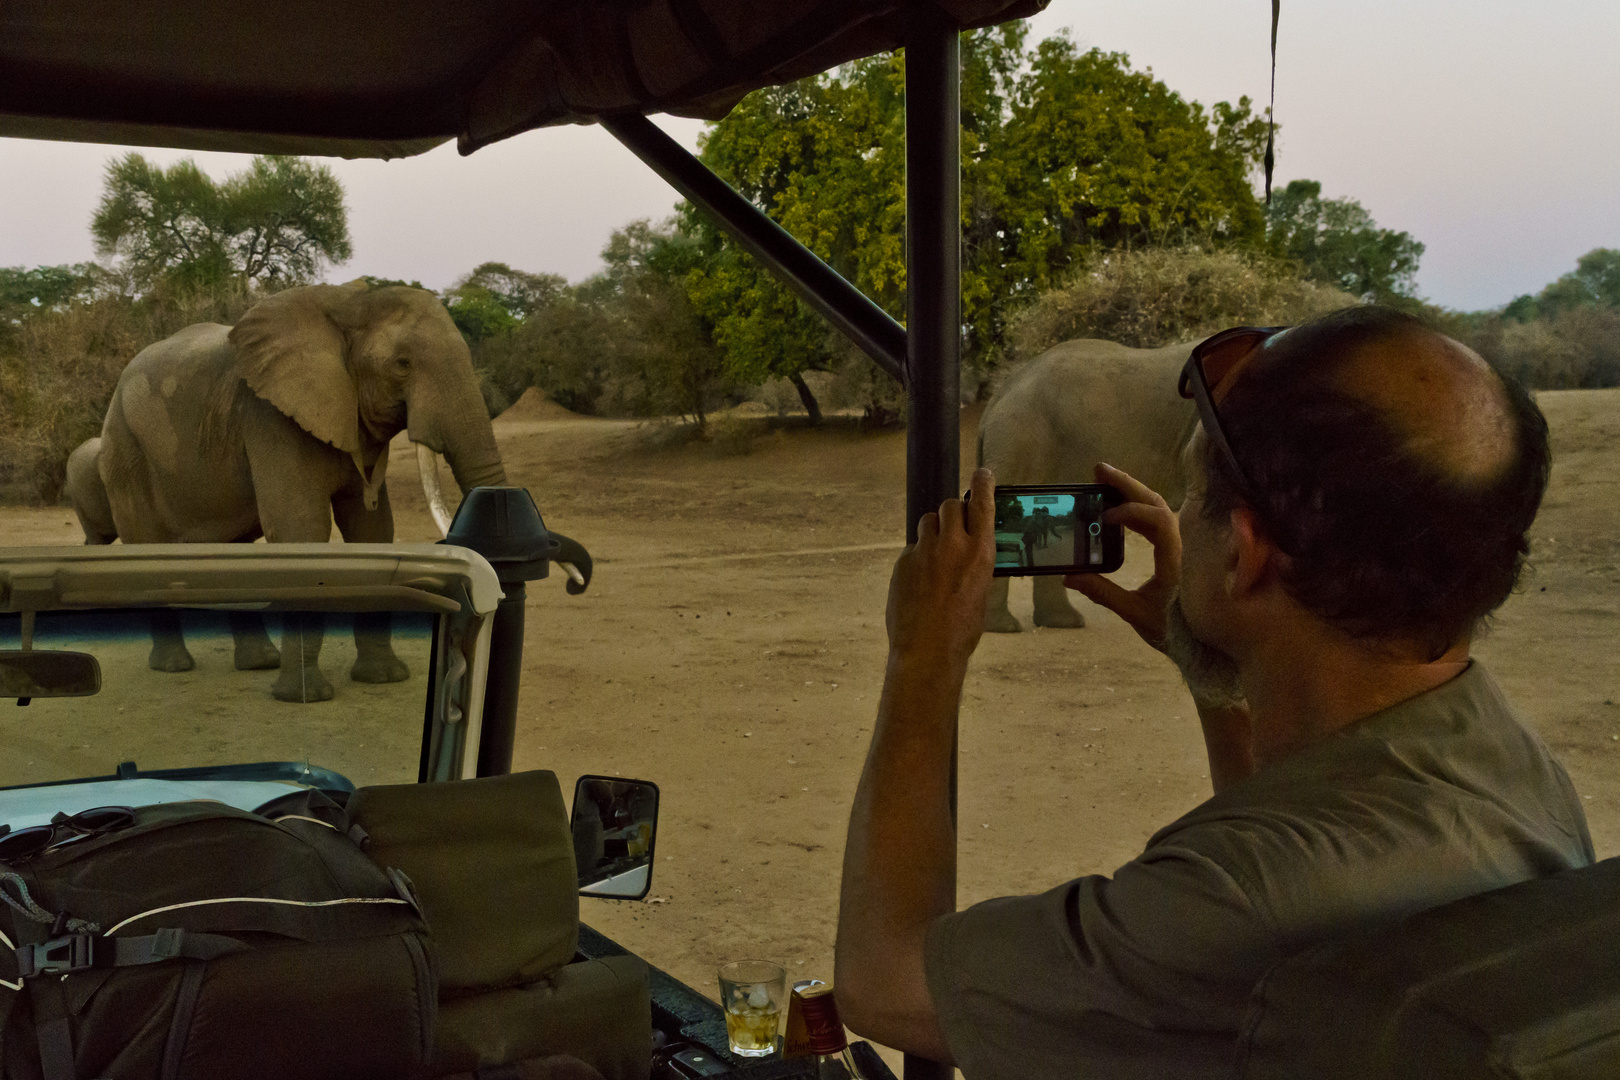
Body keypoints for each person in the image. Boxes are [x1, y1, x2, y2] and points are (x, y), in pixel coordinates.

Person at [833, 307, 1594, 1079]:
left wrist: (924, 659)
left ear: (1248, 555)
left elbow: (884, 983)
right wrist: (1210, 656)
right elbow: (1298, 810)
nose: (1179, 518)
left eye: (1195, 495)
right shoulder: (1519, 776)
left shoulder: (1232, 896)